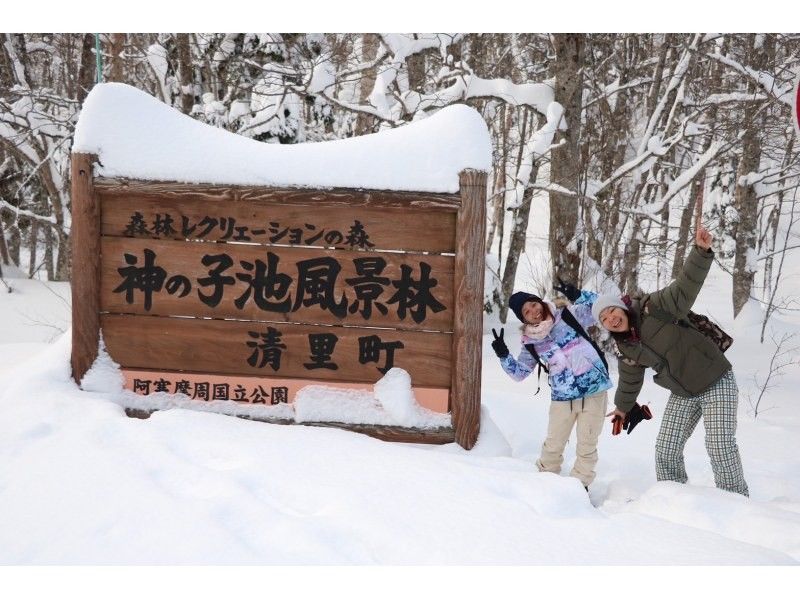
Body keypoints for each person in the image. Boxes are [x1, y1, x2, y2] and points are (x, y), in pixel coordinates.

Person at [594, 226, 749, 497]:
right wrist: (622, 408)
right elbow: (630, 380)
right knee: (666, 447)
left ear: (621, 306)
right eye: (604, 319)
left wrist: (700, 253)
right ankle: (673, 498)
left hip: (715, 380)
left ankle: (736, 501)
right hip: (684, 392)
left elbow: (684, 286)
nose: (610, 319)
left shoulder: (655, 306)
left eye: (611, 311)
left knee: (719, 445)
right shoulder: (626, 347)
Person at [491, 280, 612, 490]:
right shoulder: (531, 342)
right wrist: (504, 355)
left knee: (587, 444)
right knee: (553, 444)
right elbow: (519, 374)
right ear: (524, 318)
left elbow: (601, 308)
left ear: (540, 302)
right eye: (526, 311)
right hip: (562, 398)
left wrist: (579, 294)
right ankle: (545, 483)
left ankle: (580, 488)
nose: (533, 311)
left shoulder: (569, 314)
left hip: (594, 390)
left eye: (533, 304)